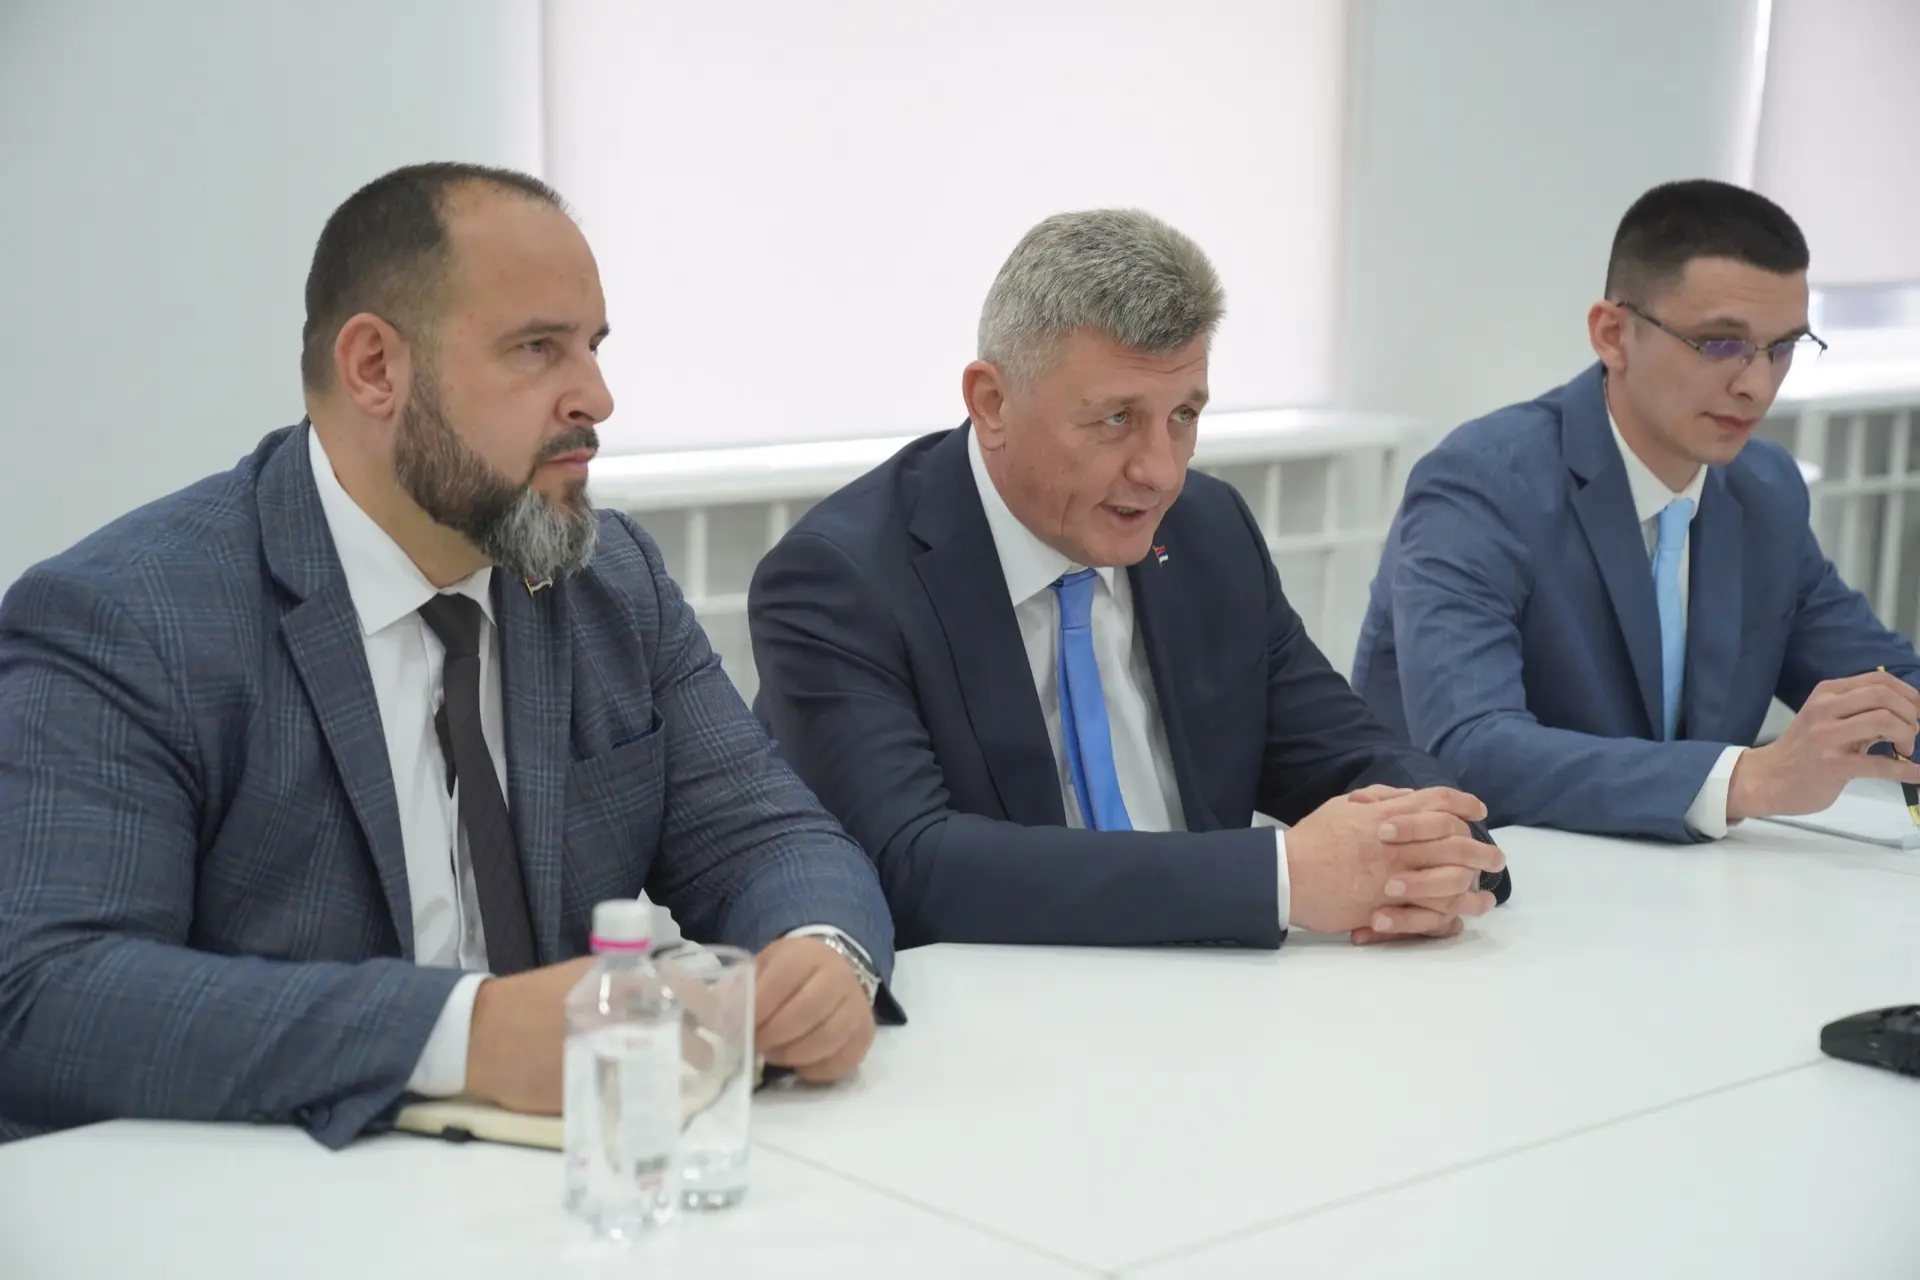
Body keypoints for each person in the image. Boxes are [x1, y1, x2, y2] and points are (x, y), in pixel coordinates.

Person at [0, 163, 898, 1149]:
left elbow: (773, 840)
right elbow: (45, 994)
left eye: (593, 347)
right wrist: (468, 1036)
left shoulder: (608, 580)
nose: (596, 397)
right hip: (274, 1194)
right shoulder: (132, 618)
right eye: (537, 349)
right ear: (375, 369)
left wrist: (822, 954)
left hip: (568, 1188)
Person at [749, 209, 1510, 952]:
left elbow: (1353, 753)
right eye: (1116, 419)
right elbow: (912, 864)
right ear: (992, 403)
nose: (1161, 472)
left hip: (1222, 1002)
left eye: (1184, 415)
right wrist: (1281, 878)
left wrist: (1436, 842)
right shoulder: (840, 581)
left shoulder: (1208, 533)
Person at [1353, 179, 1920, 842]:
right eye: (1720, 344)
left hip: (1679, 880)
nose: (1757, 384)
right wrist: (1748, 779)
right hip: (1476, 877)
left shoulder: (1764, 489)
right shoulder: (1482, 484)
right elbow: (1470, 748)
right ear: (1613, 334)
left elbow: (1886, 688)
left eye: (1784, 348)